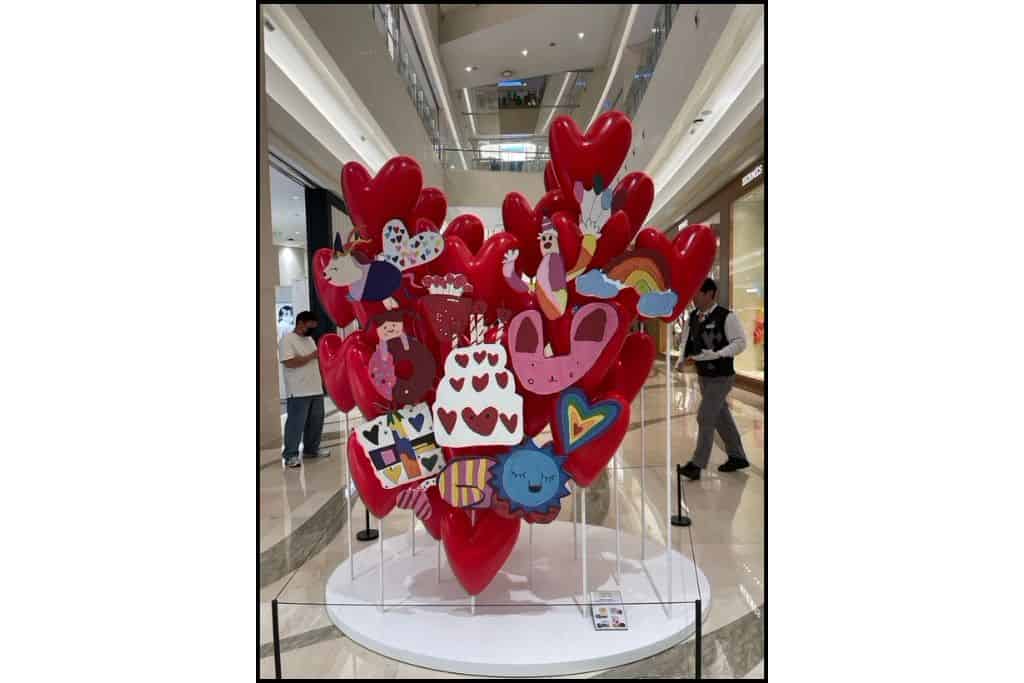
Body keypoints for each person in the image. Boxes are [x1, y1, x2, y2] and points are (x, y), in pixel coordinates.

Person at [678, 278, 750, 479]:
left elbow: (740, 342)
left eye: (697, 293)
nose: (693, 298)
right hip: (704, 376)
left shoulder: (726, 317)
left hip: (722, 376)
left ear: (710, 294)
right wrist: (682, 360)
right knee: (721, 416)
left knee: (705, 416)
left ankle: (697, 464)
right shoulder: (693, 317)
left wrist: (718, 354)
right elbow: (686, 341)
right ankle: (737, 456)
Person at [279, 311, 327, 468]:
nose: (312, 329)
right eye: (310, 326)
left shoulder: (310, 339)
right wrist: (311, 356)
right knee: (296, 424)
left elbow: (315, 360)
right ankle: (290, 455)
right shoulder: (287, 340)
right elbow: (289, 362)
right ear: (300, 323)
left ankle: (311, 450)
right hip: (298, 390)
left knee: (316, 422)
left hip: (315, 388)